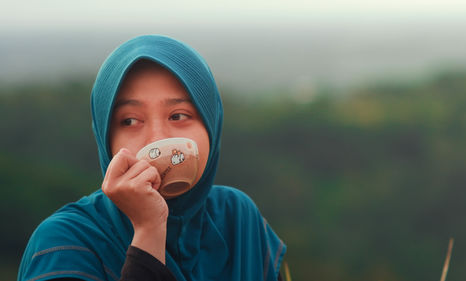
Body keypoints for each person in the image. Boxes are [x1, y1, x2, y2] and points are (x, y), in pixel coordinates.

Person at [18, 34, 286, 281]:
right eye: (131, 120)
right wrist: (148, 231)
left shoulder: (237, 218)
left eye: (178, 116)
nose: (158, 139)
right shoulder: (64, 242)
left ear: (211, 126)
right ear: (105, 138)